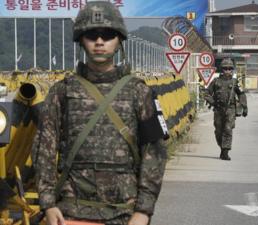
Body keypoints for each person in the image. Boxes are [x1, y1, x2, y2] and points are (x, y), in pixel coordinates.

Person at [32, 1, 167, 225]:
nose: (100, 42)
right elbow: (43, 149)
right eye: (92, 35)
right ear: (81, 41)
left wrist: (144, 210)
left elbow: (155, 152)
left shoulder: (139, 92)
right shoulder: (62, 92)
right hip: (71, 210)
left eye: (108, 35)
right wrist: (47, 203)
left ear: (119, 40)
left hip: (124, 211)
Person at [204, 58, 247, 160]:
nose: (227, 71)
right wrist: (212, 102)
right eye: (225, 69)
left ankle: (225, 151)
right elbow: (206, 94)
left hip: (230, 109)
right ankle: (222, 147)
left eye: (229, 69)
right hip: (218, 109)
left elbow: (241, 94)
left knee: (228, 129)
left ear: (232, 70)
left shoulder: (235, 82)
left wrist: (244, 107)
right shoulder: (215, 82)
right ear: (222, 70)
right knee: (219, 130)